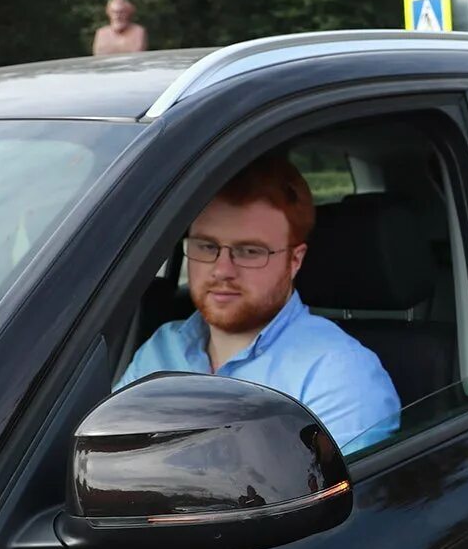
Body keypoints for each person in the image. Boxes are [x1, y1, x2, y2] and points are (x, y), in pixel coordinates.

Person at [119, 153, 400, 451]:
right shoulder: (160, 348)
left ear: (295, 260)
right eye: (207, 246)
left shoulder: (338, 375)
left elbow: (335, 498)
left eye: (250, 251)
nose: (222, 270)